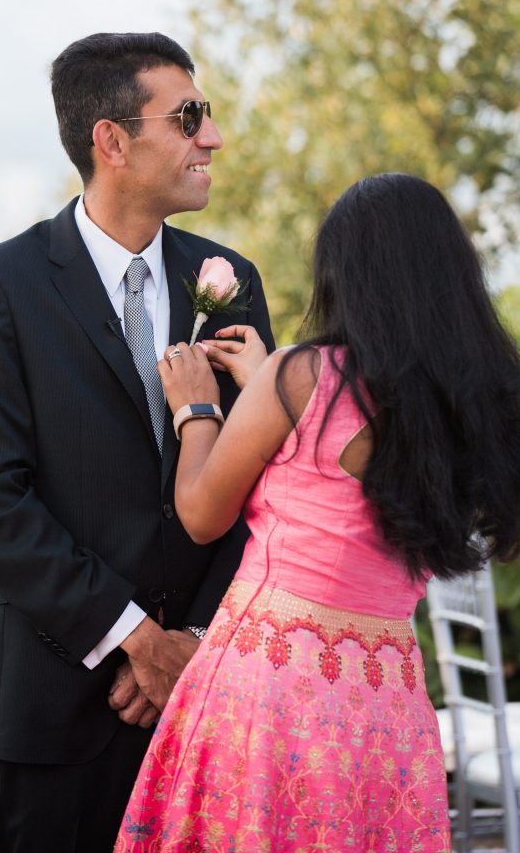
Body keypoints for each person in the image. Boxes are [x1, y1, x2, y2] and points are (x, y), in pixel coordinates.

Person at [0, 32, 275, 852]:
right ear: (112, 141)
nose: (213, 137)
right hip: (56, 711)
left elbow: (263, 484)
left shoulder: (229, 278)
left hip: (209, 702)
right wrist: (135, 638)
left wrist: (193, 644)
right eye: (188, 115)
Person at [115, 173, 520, 853]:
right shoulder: (480, 401)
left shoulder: (300, 375)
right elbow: (370, 457)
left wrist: (198, 409)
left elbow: (200, 514)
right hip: (387, 703)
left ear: (346, 275)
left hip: (273, 692)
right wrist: (271, 392)